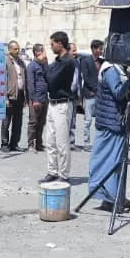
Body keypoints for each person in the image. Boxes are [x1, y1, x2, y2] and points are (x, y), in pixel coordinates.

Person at [87, 58, 130, 212]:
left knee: (115, 162)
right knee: (110, 162)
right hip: (110, 123)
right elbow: (118, 93)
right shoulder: (111, 70)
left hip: (114, 122)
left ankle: (114, 198)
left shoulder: (117, 68)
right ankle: (111, 199)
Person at [42, 32, 76, 183]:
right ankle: (52, 170)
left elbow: (51, 79)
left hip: (62, 104)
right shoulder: (57, 62)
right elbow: (48, 79)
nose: (51, 47)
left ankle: (64, 174)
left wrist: (44, 64)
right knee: (50, 141)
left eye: (52, 44)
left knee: (62, 142)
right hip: (52, 103)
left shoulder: (68, 62)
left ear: (60, 43)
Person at [2, 41, 27, 153]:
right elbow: (2, 80)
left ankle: (14, 143)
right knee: (6, 122)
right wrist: (5, 97)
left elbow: (23, 78)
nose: (17, 51)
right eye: (15, 49)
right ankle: (4, 143)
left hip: (20, 95)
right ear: (9, 50)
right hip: (9, 95)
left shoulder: (21, 62)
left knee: (18, 122)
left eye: (18, 48)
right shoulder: (5, 61)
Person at [26, 44, 49, 153]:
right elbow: (30, 84)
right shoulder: (31, 66)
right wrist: (34, 99)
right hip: (36, 99)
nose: (45, 54)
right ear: (37, 53)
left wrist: (45, 63)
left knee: (42, 122)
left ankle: (39, 144)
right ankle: (31, 145)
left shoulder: (43, 64)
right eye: (43, 51)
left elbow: (48, 76)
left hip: (44, 98)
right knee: (33, 122)